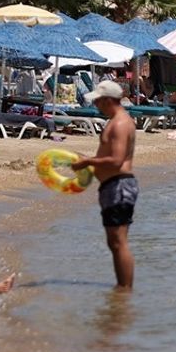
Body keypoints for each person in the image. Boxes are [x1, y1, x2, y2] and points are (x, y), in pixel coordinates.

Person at [72, 81, 138, 289]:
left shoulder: (119, 123)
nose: (96, 105)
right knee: (115, 242)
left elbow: (117, 160)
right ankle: (122, 288)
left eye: (98, 101)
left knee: (118, 242)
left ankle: (124, 290)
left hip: (119, 186)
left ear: (109, 100)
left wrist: (88, 162)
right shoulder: (117, 121)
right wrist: (89, 160)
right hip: (114, 186)